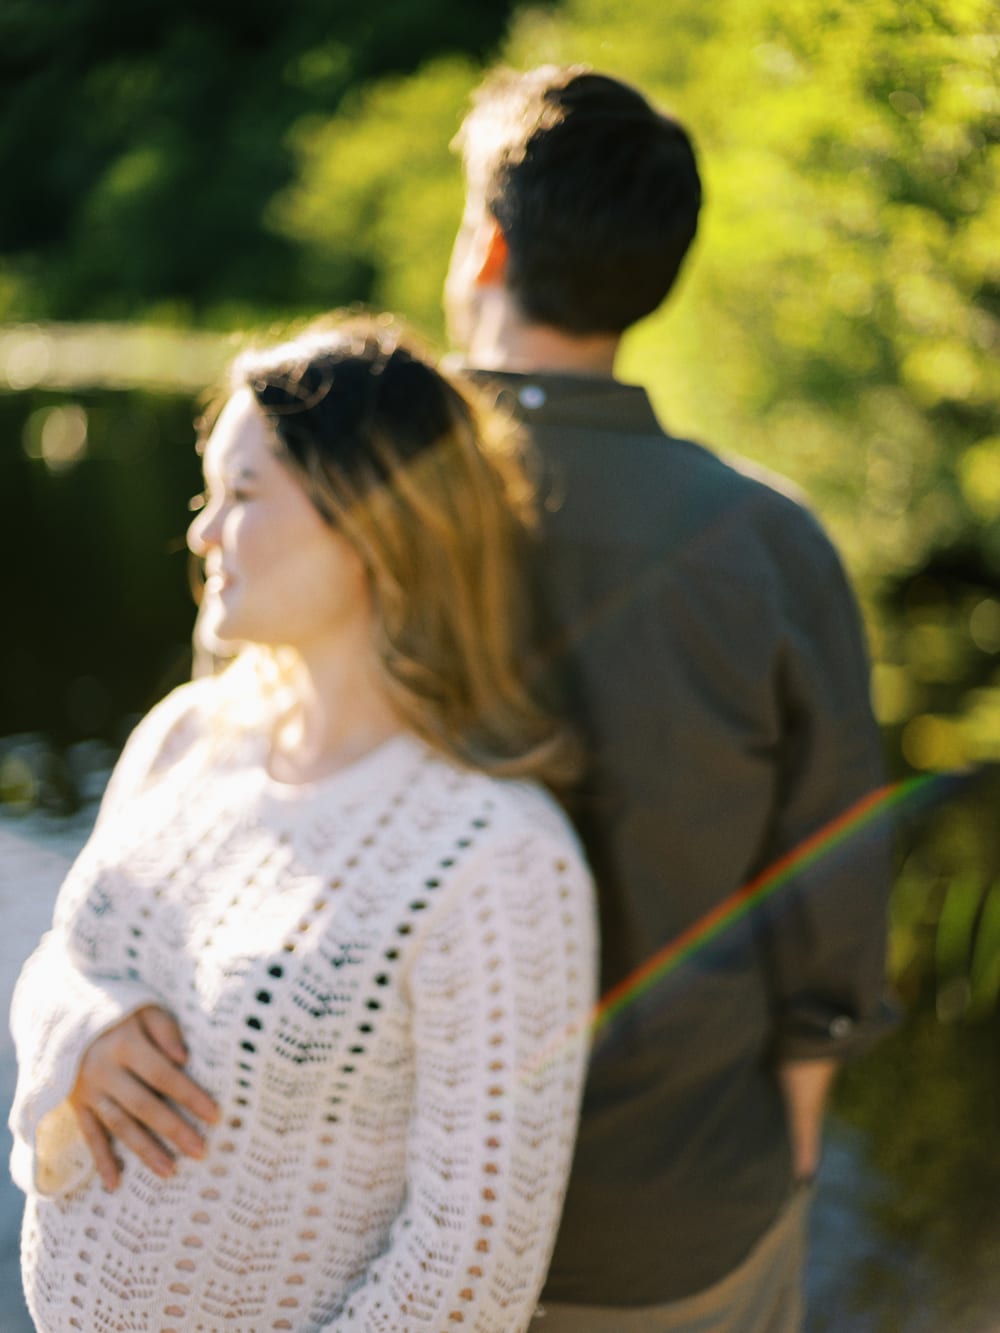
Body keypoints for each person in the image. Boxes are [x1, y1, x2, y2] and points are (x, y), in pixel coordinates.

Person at [9, 320, 598, 1331]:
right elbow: (66, 952)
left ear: (374, 524)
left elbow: (468, 1276)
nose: (199, 534)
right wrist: (81, 1025)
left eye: (240, 495)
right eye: (208, 493)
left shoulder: (498, 859)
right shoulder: (186, 735)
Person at [445, 65, 895, 1331]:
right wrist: (804, 1100)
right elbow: (835, 867)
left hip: (393, 1218)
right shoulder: (768, 538)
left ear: (484, 246)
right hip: (681, 1213)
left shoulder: (351, 508)